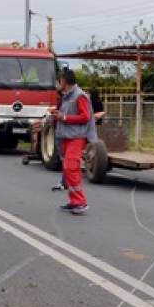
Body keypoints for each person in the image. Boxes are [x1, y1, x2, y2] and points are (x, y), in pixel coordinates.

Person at [50, 69, 97, 215]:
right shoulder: (66, 97)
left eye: (59, 80)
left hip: (76, 137)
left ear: (64, 80)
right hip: (66, 136)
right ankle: (74, 201)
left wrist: (64, 118)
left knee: (71, 167)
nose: (58, 83)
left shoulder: (79, 96)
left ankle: (80, 202)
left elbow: (85, 116)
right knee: (67, 168)